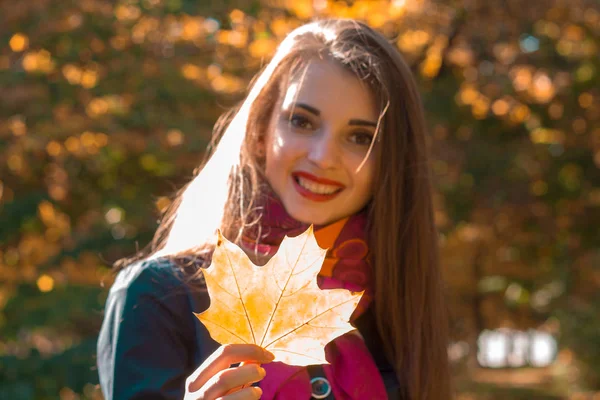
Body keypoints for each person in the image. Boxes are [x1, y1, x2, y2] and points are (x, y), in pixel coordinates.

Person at [97, 18, 452, 400]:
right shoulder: (157, 294)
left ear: (391, 160)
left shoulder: (398, 300)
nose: (322, 157)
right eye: (302, 121)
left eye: (360, 137)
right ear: (262, 130)